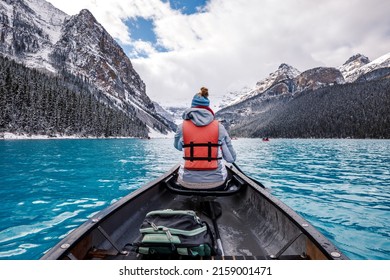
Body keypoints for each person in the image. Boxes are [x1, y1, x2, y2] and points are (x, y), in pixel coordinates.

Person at [174, 87, 236, 190]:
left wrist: (185, 139)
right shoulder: (219, 128)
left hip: (186, 182)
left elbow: (178, 147)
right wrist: (221, 144)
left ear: (192, 107)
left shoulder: (181, 127)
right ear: (208, 108)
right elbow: (231, 159)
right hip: (217, 183)